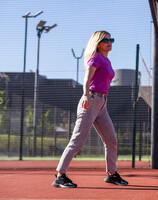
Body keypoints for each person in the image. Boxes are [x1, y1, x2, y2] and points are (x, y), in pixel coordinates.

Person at [52, 31, 128, 188]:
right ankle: (60, 175)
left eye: (111, 39)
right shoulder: (95, 58)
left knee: (111, 140)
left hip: (102, 103)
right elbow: (87, 78)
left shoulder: (106, 60)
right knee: (77, 141)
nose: (109, 42)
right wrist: (86, 95)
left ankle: (112, 174)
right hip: (91, 100)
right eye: (105, 40)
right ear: (98, 43)